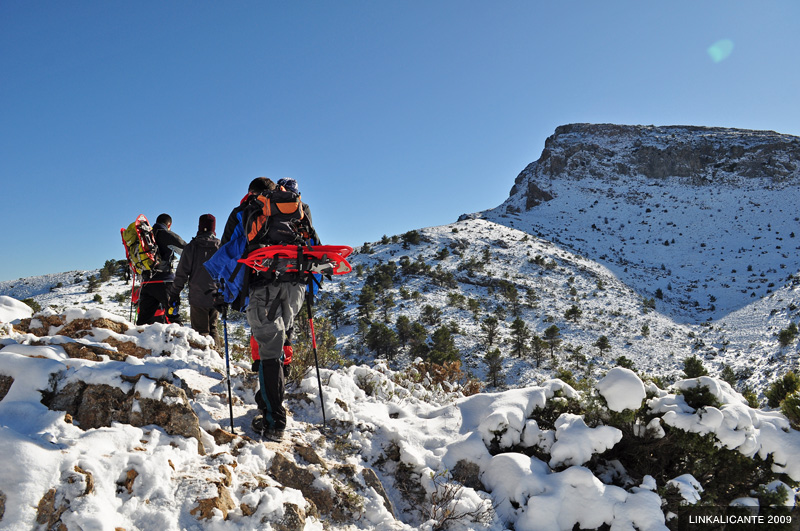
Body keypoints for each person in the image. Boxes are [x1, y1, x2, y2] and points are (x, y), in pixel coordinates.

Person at [228, 177, 317, 440]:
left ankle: (273, 421)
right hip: (296, 287)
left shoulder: (247, 210)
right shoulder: (299, 207)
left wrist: (224, 292)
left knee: (268, 351)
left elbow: (229, 251)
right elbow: (314, 245)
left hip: (264, 287)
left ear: (251, 192)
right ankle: (268, 404)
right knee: (280, 343)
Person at [167, 214, 222, 347]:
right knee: (213, 328)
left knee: (200, 332)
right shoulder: (220, 246)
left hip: (198, 296)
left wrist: (174, 293)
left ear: (200, 227)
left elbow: (181, 274)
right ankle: (218, 359)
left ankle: (204, 360)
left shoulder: (192, 247)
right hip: (217, 296)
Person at [137, 213, 186, 325]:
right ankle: (180, 341)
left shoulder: (145, 235)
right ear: (169, 224)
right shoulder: (166, 235)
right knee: (173, 317)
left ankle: (139, 341)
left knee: (143, 321)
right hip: (164, 281)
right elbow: (185, 250)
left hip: (146, 282)